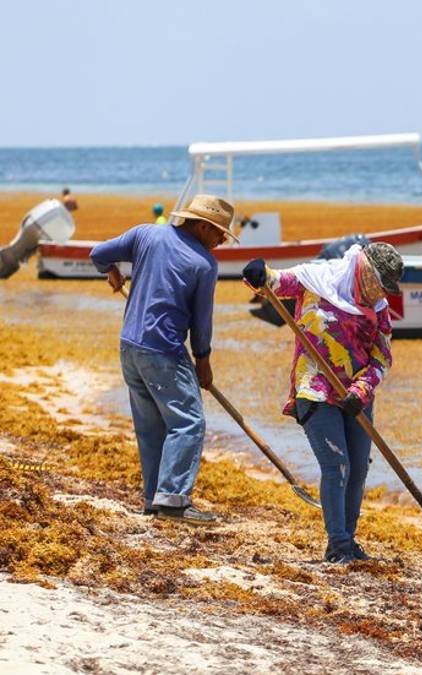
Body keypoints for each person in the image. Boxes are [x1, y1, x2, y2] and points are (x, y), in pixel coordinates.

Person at [241, 242, 403, 564]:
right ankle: (338, 544)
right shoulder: (315, 280)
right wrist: (258, 273)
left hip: (356, 398)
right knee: (336, 465)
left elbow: (382, 357)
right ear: (365, 273)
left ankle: (350, 539)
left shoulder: (380, 307)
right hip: (314, 388)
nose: (381, 294)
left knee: (357, 470)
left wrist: (361, 390)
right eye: (379, 286)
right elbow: (272, 283)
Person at [89, 194, 236, 525]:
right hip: (163, 351)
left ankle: (153, 500)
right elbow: (201, 322)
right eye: (219, 233)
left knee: (152, 427)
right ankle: (172, 500)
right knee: (189, 422)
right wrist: (203, 361)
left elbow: (98, 254)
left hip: (129, 347)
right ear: (201, 226)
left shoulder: (146, 234)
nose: (222, 240)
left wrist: (110, 271)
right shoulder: (204, 263)